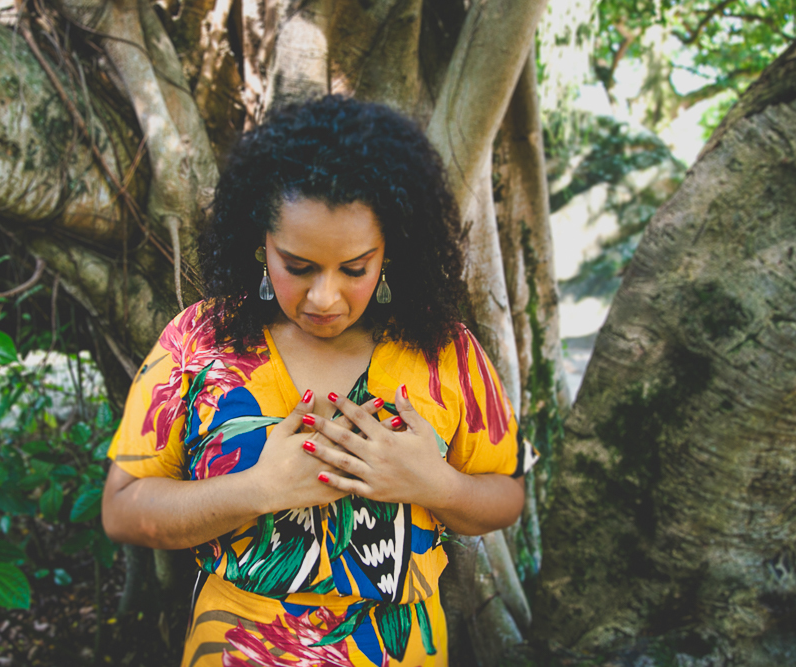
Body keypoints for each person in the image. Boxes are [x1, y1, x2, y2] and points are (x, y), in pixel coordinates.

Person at [102, 96, 537, 667]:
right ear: (261, 244)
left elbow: (505, 498)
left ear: (390, 251)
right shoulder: (198, 342)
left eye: (355, 268)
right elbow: (123, 510)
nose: (325, 297)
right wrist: (259, 489)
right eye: (298, 266)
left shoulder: (444, 352)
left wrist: (436, 485)